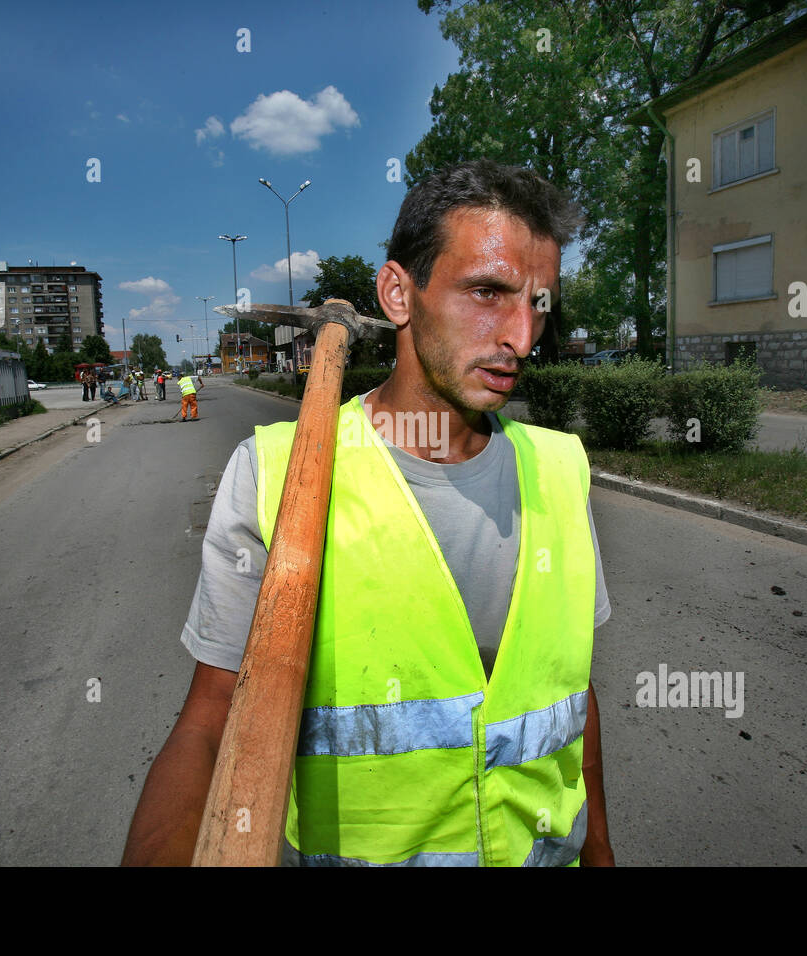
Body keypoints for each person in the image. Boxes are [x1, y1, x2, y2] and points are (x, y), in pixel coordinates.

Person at [123, 160, 613, 867]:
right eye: (487, 292)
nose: (522, 335)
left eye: (539, 302)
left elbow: (574, 703)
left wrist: (598, 852)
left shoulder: (562, 471)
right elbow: (211, 724)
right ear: (397, 293)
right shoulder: (275, 477)